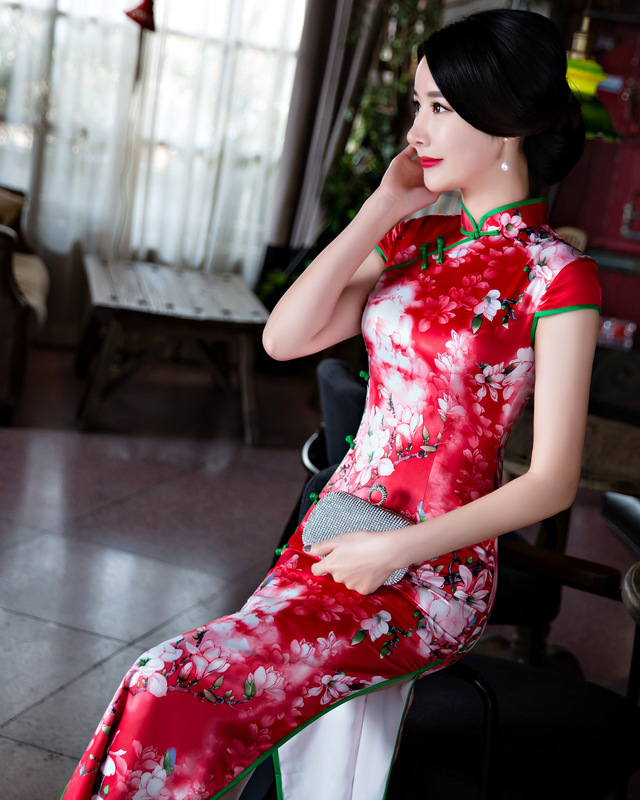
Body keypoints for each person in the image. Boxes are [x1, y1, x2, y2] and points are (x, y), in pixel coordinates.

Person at [61, 9, 600, 800]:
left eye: (440, 108)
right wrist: (381, 210)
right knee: (176, 685)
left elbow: (552, 482)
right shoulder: (413, 244)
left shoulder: (556, 275)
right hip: (337, 532)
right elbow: (284, 339)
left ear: (507, 125)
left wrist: (395, 552)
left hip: (429, 571)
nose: (416, 130)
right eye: (416, 104)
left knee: (169, 680)